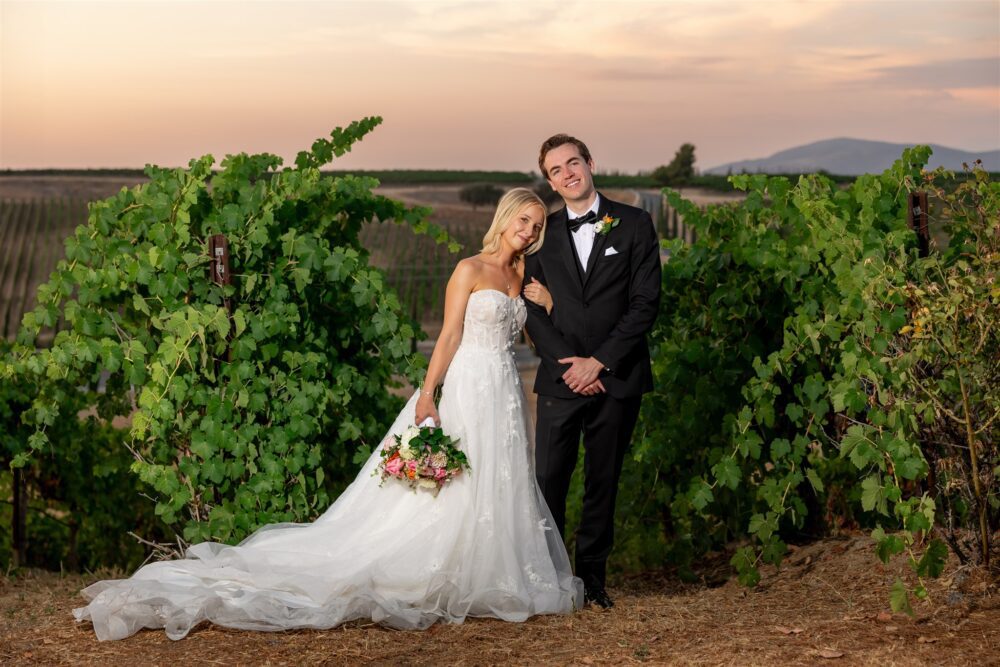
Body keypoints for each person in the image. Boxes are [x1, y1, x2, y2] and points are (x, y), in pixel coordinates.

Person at [74, 188, 582, 641]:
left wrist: (549, 303)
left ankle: (492, 570)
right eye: (524, 220)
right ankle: (437, 566)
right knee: (454, 478)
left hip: (506, 387)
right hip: (469, 381)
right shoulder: (470, 268)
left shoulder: (525, 275)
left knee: (500, 473)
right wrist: (428, 393)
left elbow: (531, 336)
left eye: (537, 225)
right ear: (505, 217)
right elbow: (449, 335)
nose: (529, 231)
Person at [522, 134, 661, 609]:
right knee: (549, 481)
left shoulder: (635, 224)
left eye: (573, 163)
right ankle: (548, 580)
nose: (567, 174)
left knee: (603, 481)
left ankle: (592, 582)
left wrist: (598, 362)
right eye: (556, 170)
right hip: (561, 378)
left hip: (616, 376)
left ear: (590, 163)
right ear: (549, 182)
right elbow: (532, 310)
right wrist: (571, 365)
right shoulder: (541, 235)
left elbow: (645, 304)